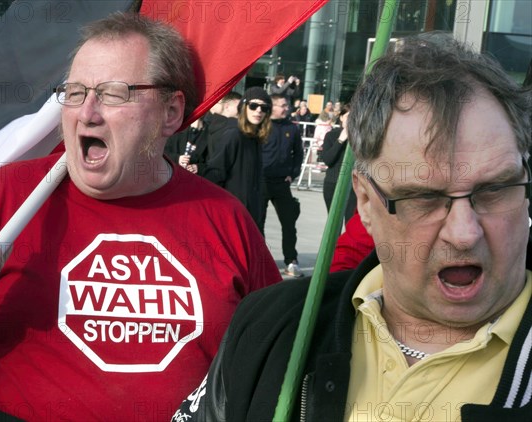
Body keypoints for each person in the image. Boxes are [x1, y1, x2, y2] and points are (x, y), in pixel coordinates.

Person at [0, 13, 282, 421]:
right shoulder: (2, 198)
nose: (87, 112)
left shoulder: (226, 219)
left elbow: (272, 359)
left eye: (114, 94)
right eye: (75, 92)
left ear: (171, 112)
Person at [174, 32, 532, 421]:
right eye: (423, 199)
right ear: (364, 201)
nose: (464, 233)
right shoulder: (273, 328)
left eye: (495, 189)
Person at [204, 87, 272, 225]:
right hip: (230, 215)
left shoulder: (256, 139)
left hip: (251, 215)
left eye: (263, 108)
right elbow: (215, 174)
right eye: (253, 106)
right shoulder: (234, 135)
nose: (258, 110)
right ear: (243, 108)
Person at [259, 94, 304, 277]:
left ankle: (291, 260)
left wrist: (292, 174)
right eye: (281, 105)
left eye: (286, 105)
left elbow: (298, 153)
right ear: (272, 107)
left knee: (289, 223)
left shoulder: (291, 128)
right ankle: (260, 261)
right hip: (260, 182)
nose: (286, 108)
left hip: (282, 183)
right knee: (257, 223)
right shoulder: (260, 125)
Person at [321, 104, 356, 220]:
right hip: (332, 184)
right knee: (333, 222)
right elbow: (327, 160)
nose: (351, 120)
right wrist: (340, 140)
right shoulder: (331, 135)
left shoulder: (360, 138)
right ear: (341, 118)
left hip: (353, 187)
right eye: (348, 116)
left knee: (351, 223)